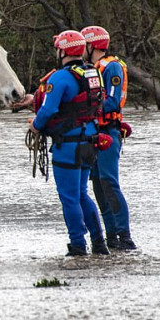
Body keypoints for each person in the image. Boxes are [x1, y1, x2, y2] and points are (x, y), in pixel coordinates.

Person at [29, 30, 109, 256]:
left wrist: (35, 126)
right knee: (82, 193)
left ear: (63, 50)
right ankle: (99, 243)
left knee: (70, 197)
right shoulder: (94, 73)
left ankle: (77, 245)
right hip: (89, 142)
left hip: (68, 146)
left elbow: (49, 109)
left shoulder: (60, 77)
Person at [81, 25, 137, 251]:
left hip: (108, 132)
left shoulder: (111, 67)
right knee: (97, 183)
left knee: (109, 182)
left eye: (83, 45)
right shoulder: (89, 68)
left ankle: (123, 235)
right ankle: (111, 236)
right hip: (94, 133)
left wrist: (85, 105)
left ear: (92, 45)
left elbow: (113, 102)